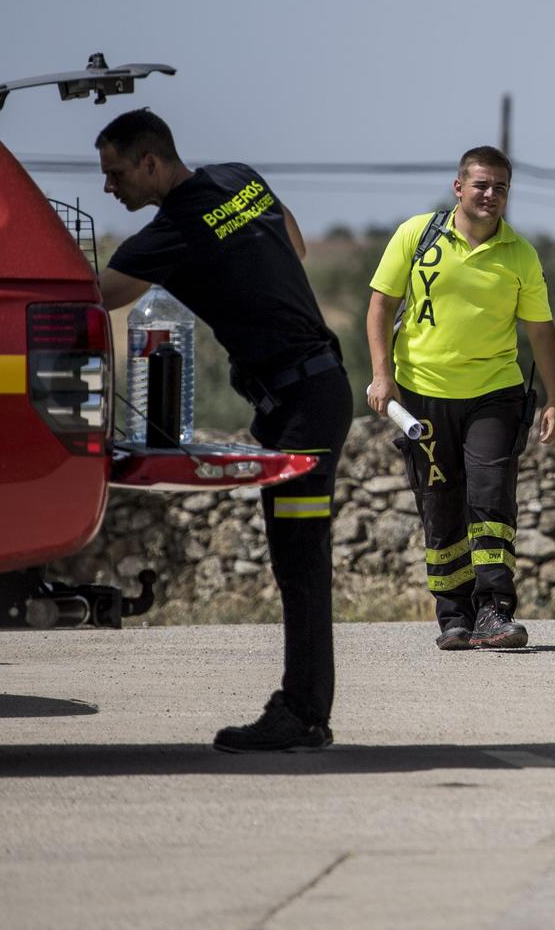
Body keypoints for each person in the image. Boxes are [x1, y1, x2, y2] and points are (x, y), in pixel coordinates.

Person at [94, 109, 351, 753]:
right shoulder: (238, 179)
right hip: (311, 390)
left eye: (116, 172)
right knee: (299, 557)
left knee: (300, 561)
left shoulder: (171, 231)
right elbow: (292, 239)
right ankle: (305, 706)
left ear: (151, 163)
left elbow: (94, 297)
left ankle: (303, 713)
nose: (109, 188)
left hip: (302, 403)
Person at [365, 145, 555, 652]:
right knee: (440, 504)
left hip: (494, 395)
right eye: (481, 184)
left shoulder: (521, 254)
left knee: (491, 497)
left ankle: (494, 609)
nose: (490, 195)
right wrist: (381, 376)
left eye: (500, 187)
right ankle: (453, 616)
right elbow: (380, 307)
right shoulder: (417, 233)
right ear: (459, 187)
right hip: (421, 396)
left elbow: (542, 332)